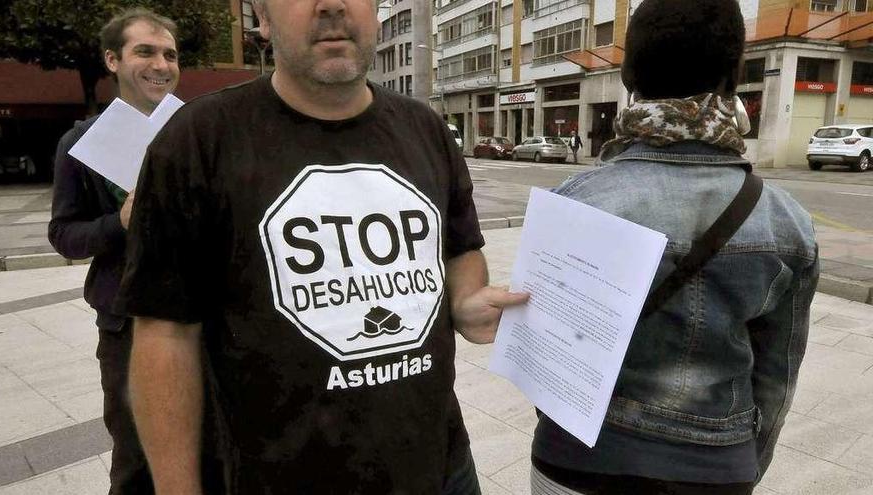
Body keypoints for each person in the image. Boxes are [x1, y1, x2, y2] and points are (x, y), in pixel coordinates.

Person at [114, 0, 528, 492]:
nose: (331, 5)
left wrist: (464, 300)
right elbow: (164, 333)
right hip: (280, 475)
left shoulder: (426, 130)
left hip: (441, 466)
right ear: (262, 19)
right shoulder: (198, 140)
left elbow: (460, 249)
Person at [531, 1, 819, 494]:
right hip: (715, 466)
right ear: (733, 77)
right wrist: (745, 465)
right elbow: (776, 378)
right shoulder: (786, 221)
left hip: (578, 458)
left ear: (628, 77)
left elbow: (549, 355)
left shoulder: (572, 202)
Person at [48, 8, 180, 494]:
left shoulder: (200, 130)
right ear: (112, 59)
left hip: (207, 318)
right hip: (128, 327)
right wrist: (118, 222)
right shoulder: (82, 143)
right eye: (145, 51)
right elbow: (63, 234)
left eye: (170, 54)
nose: (161, 64)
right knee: (137, 459)